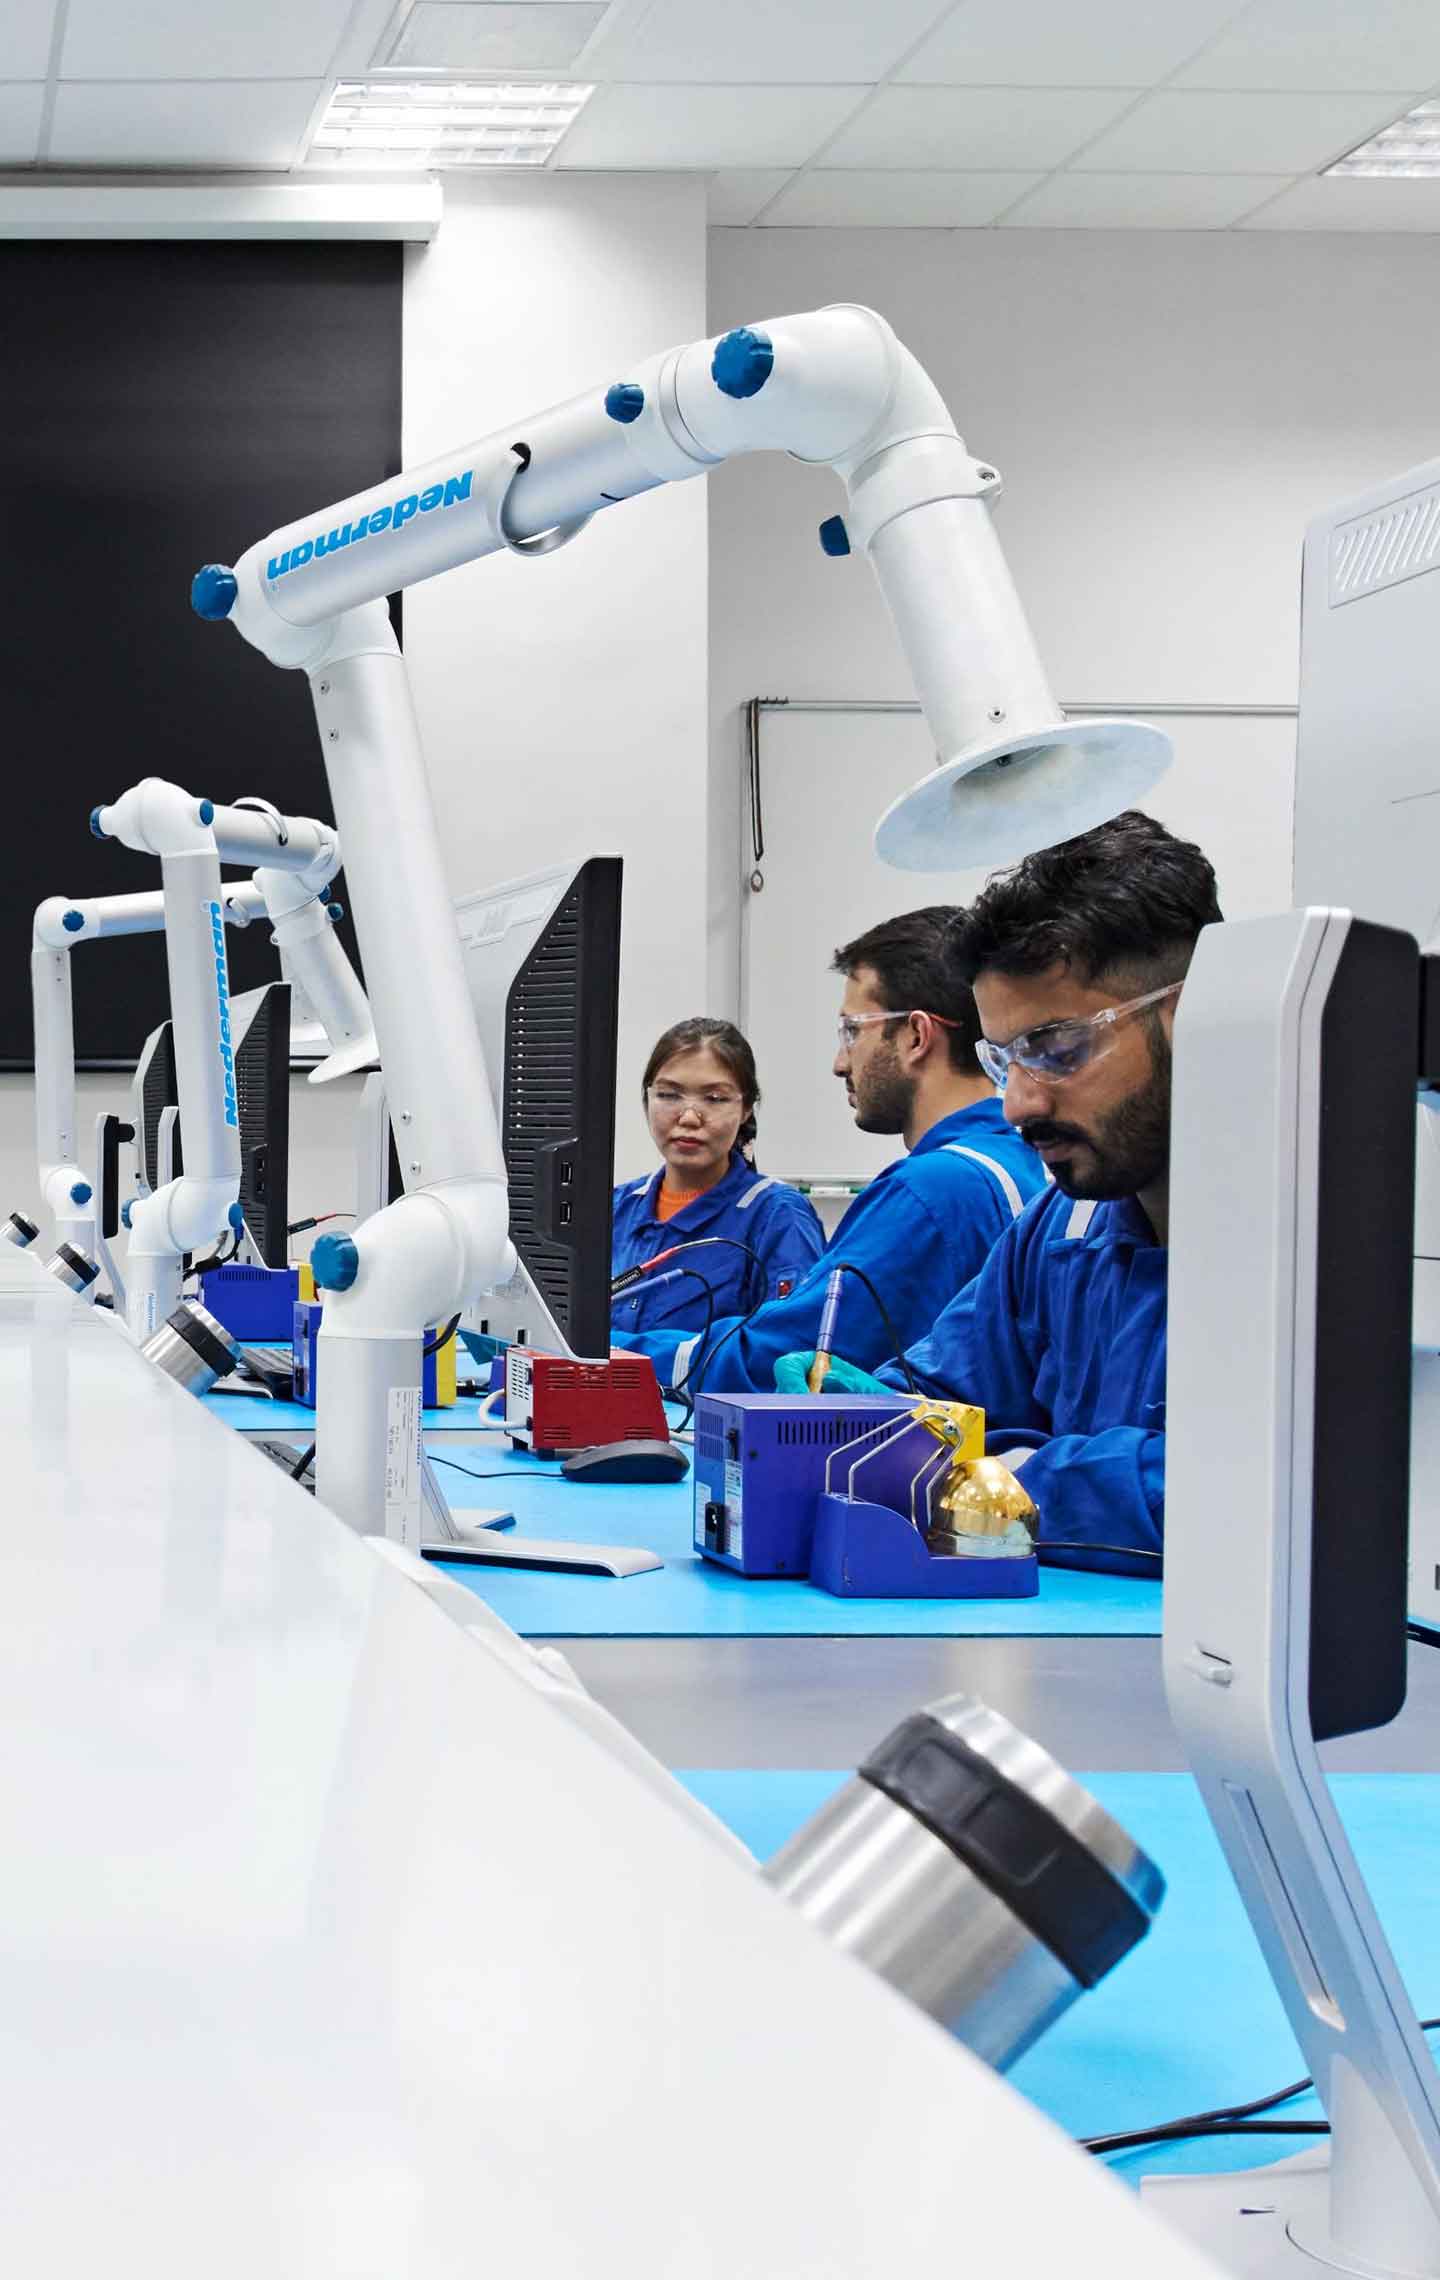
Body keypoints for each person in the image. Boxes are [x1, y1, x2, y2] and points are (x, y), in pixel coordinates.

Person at [776, 812, 1223, 1575]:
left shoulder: (1318, 1241)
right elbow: (932, 1404)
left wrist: (1007, 1476)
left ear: (1194, 1016)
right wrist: (874, 1421)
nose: (1016, 1104)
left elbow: (1232, 1493)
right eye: (1004, 1058)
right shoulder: (1062, 1228)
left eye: (1056, 1047)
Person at [615, 909, 1045, 1393]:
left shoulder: (930, 1191)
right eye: (668, 1094)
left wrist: (606, 1352)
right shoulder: (1014, 1163)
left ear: (916, 1036)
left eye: (852, 1031)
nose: (841, 1063)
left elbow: (787, 1353)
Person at [611, 1018, 824, 1341]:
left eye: (714, 1098)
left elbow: (786, 1344)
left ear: (746, 1108)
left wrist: (626, 1350)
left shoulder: (777, 1215)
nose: (688, 1117)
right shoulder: (616, 1208)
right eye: (668, 1095)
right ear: (647, 1099)